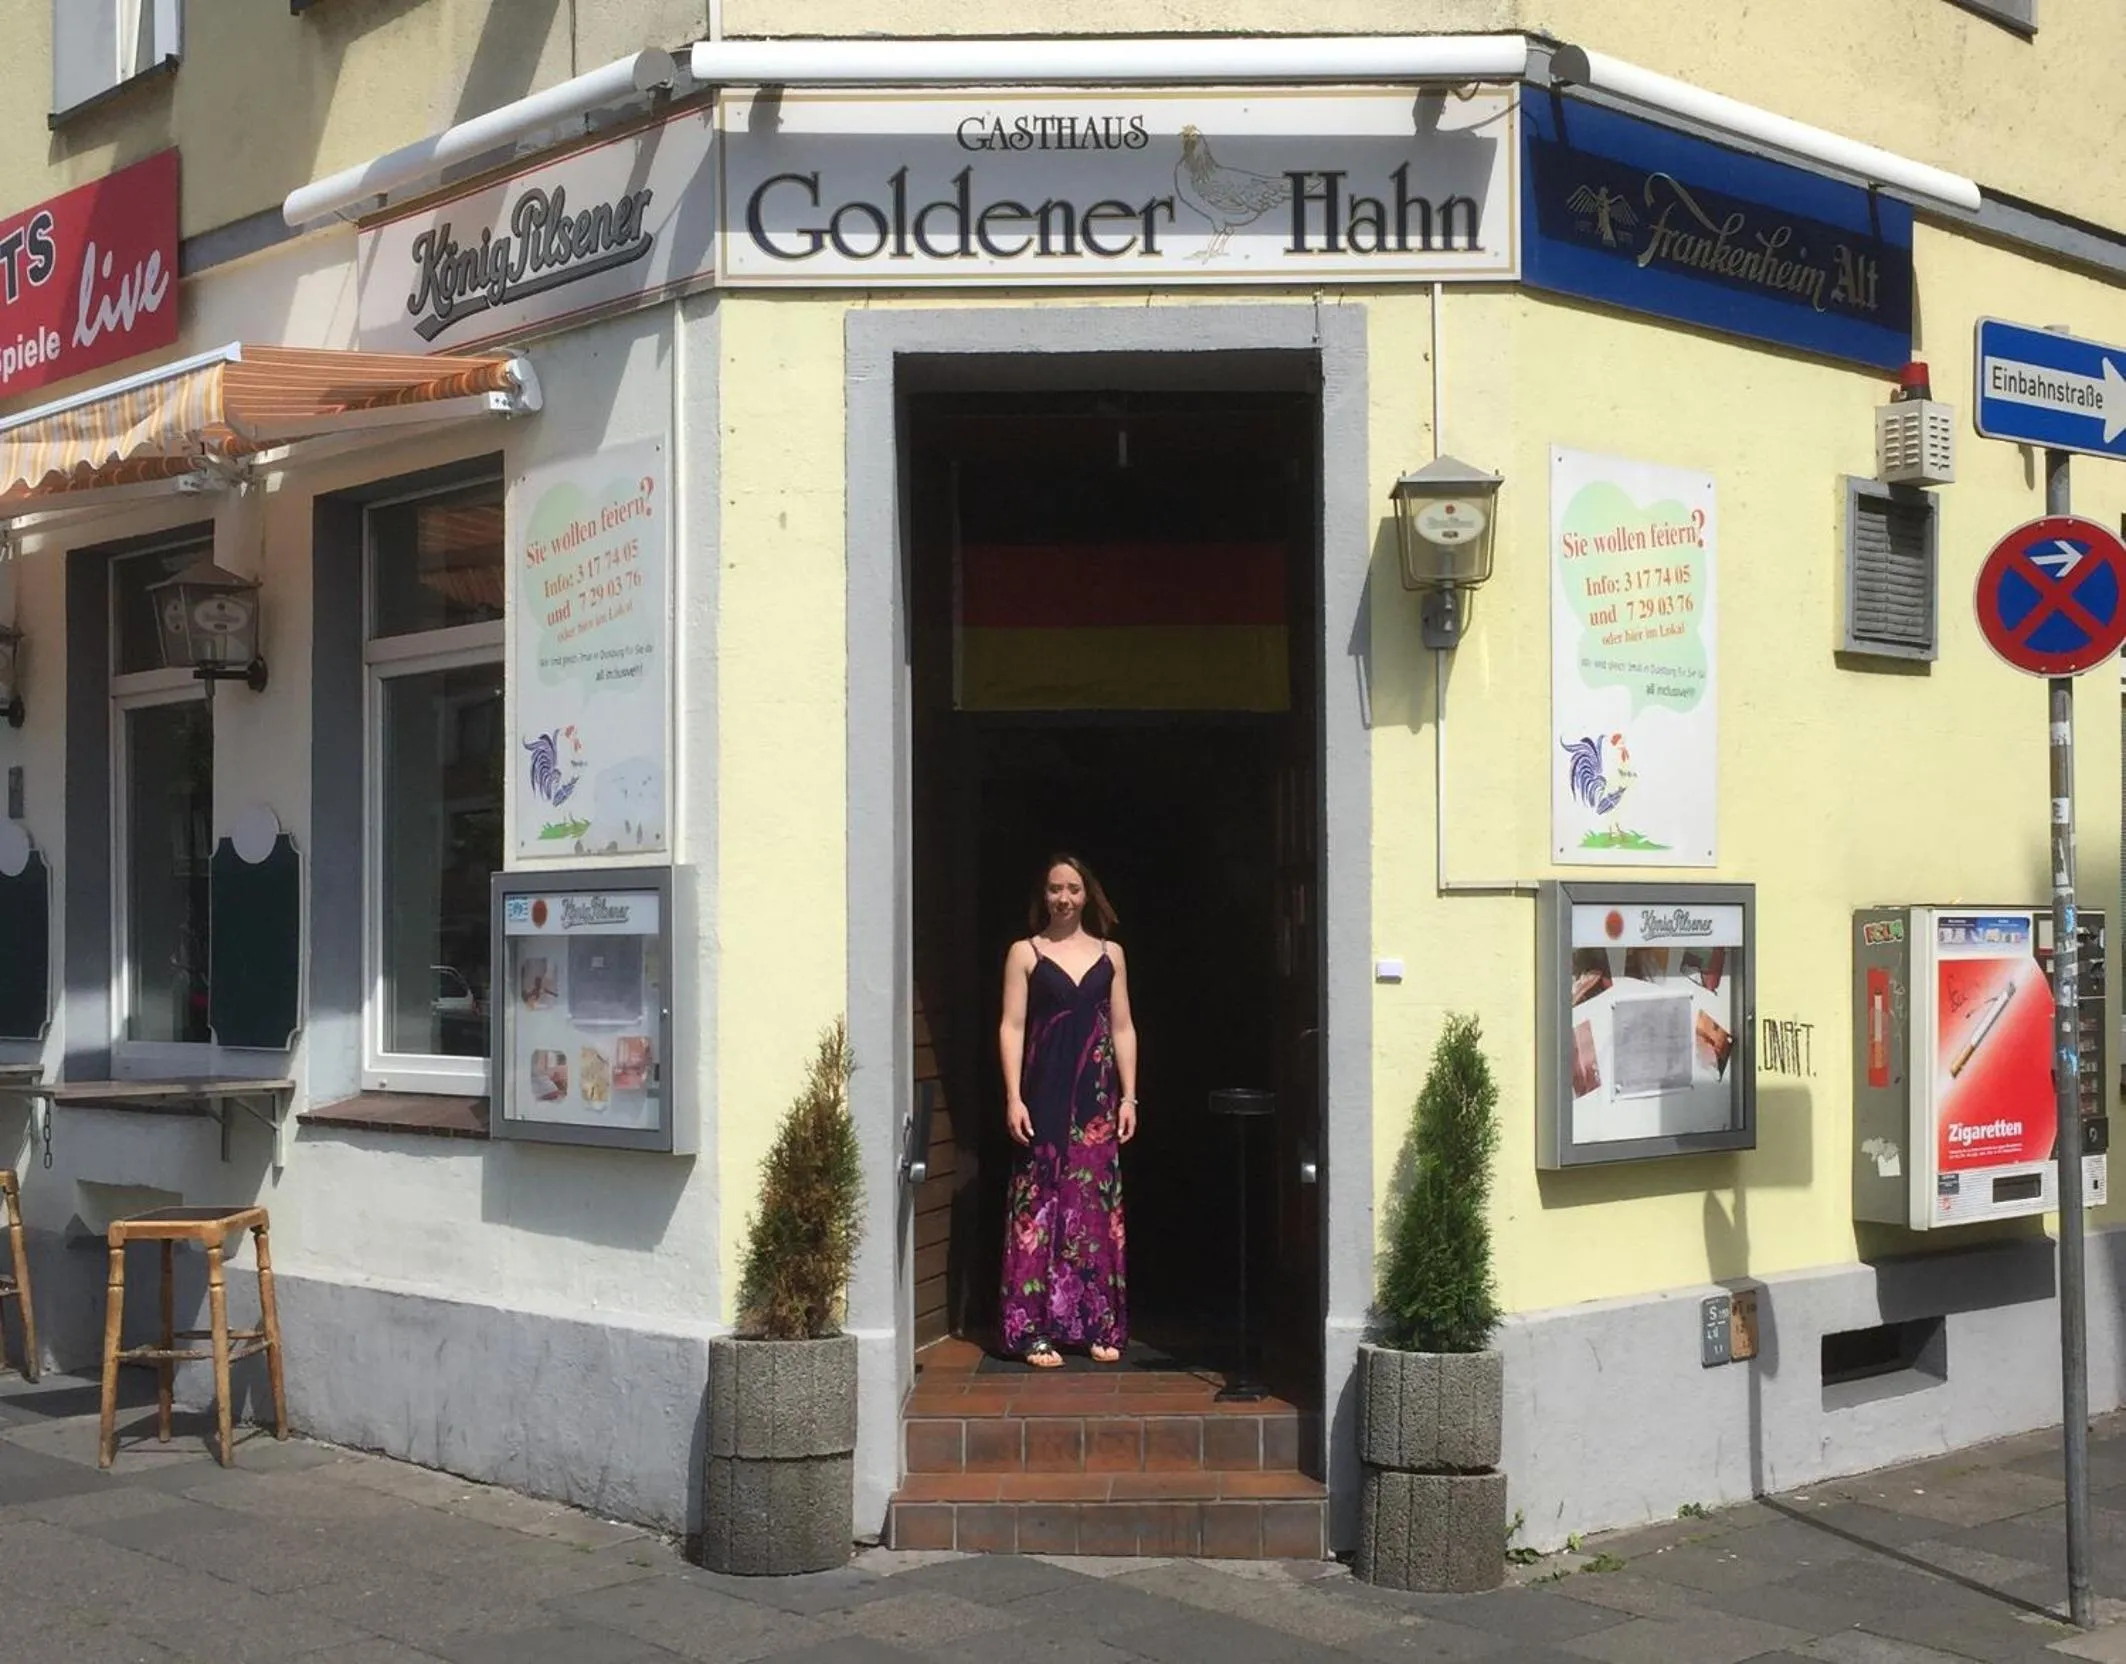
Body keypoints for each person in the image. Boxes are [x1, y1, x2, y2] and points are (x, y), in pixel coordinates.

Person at [996, 853, 1138, 1368]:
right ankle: (1031, 1329)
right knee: (1039, 1207)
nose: (1064, 898)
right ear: (1044, 895)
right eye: (1055, 888)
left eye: (1073, 888)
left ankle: (1098, 1324)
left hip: (1096, 1103)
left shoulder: (1111, 954)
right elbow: (1011, 1025)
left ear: (1087, 894)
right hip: (1045, 1097)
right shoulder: (1025, 953)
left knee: (1093, 1206)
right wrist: (1013, 1095)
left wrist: (1129, 1097)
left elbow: (1122, 1027)